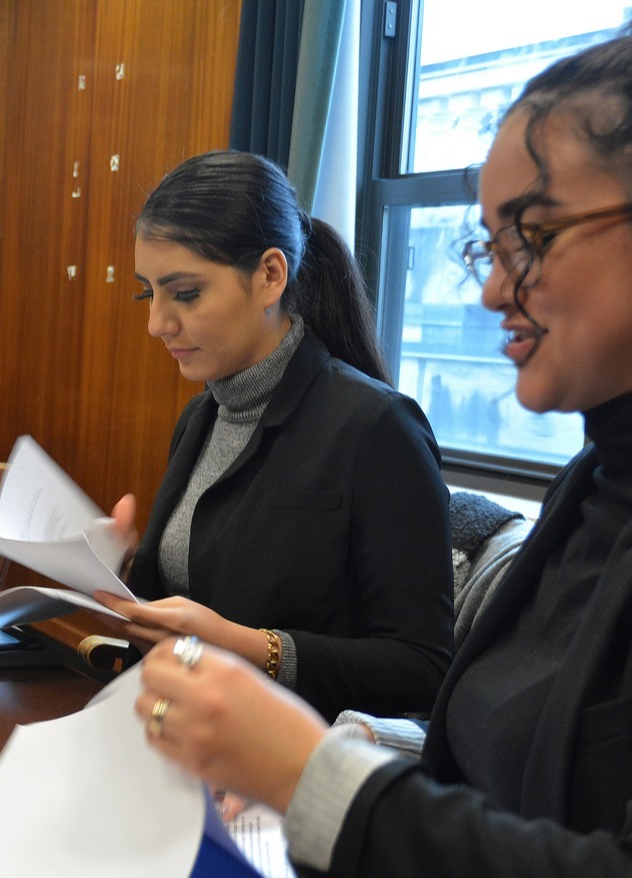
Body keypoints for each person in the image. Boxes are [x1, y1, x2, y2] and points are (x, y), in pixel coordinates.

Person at [132, 2, 632, 875]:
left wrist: (315, 776)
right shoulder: (608, 478)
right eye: (491, 246)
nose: (491, 292)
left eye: (534, 238)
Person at [95, 150, 453, 723]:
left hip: (290, 772)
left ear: (269, 275)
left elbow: (424, 671)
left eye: (184, 293)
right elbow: (201, 595)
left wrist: (252, 647)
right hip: (182, 737)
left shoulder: (376, 428)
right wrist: (123, 572)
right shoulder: (202, 417)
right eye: (148, 293)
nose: (157, 323)